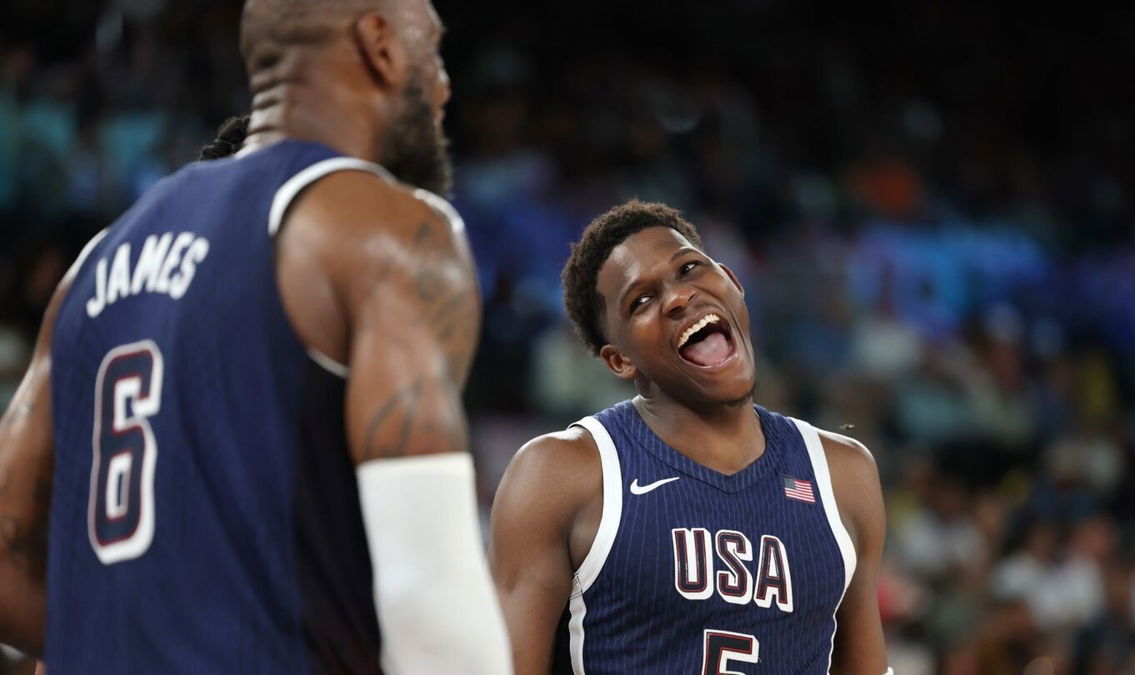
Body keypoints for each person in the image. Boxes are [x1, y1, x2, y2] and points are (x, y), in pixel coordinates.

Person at [0, 0, 511, 672]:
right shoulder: (382, 227)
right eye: (435, 52)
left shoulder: (92, 263)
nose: (444, 84)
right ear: (380, 45)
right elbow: (429, 597)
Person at [490, 200, 891, 674]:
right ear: (620, 360)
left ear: (733, 282)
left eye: (689, 268)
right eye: (641, 299)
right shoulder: (563, 472)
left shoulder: (843, 473)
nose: (679, 297)